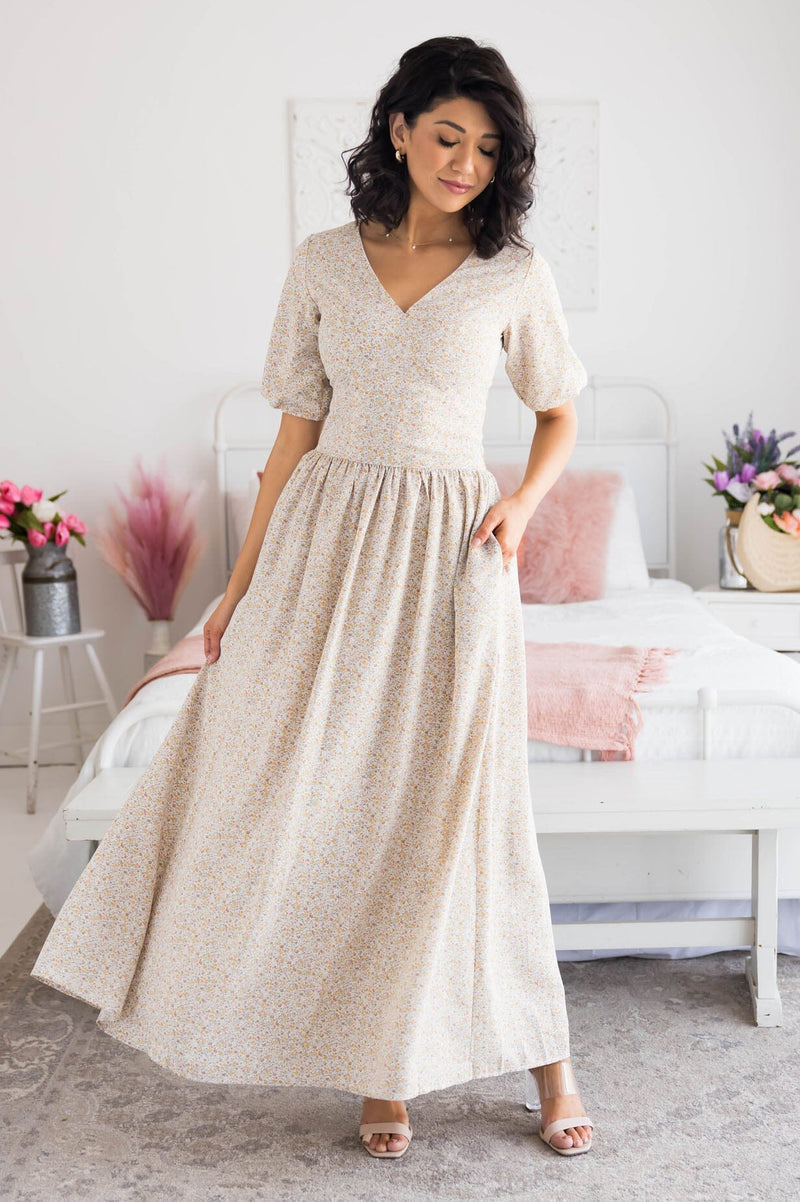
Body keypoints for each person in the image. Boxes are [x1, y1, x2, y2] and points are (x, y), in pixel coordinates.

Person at [30, 35, 594, 1161]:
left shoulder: (511, 273)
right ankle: (378, 1069)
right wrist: (235, 593)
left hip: (451, 553)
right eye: (448, 136)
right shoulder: (325, 262)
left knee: (465, 811)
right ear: (399, 129)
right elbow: (292, 438)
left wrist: (524, 504)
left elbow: (558, 411)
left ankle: (553, 1065)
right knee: (314, 796)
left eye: (488, 148)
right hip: (326, 545)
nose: (466, 163)